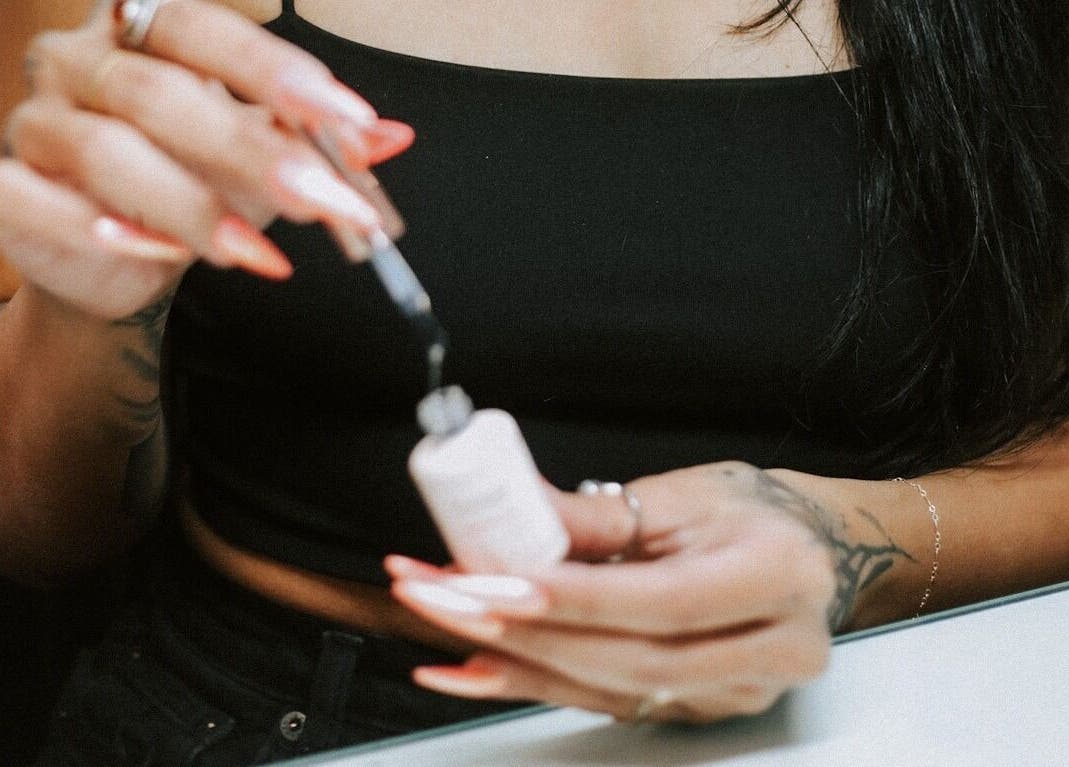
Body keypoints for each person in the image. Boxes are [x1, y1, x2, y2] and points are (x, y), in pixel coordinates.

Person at [2, 0, 1069, 763]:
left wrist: (854, 547)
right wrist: (94, 298)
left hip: (872, 703)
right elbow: (37, 531)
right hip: (257, 716)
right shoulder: (136, 24)